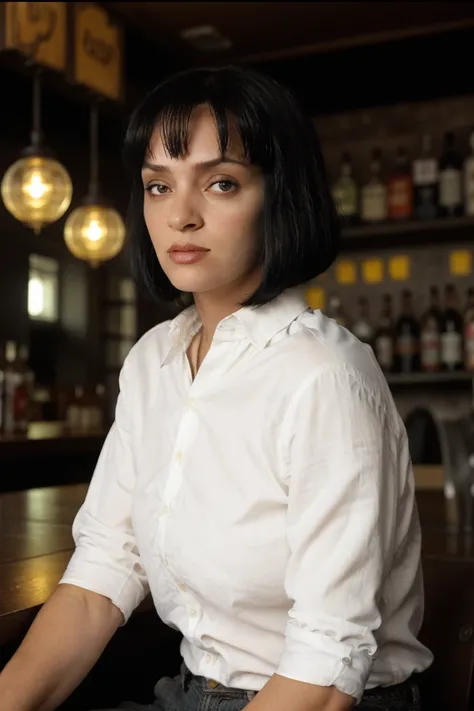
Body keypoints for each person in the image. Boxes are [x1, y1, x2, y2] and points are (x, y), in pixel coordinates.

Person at [0, 66, 433, 711]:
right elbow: (100, 578)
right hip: (191, 692)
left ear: (279, 196)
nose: (181, 215)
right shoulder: (154, 361)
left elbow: (326, 660)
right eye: (158, 185)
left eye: (221, 183)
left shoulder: (325, 377)